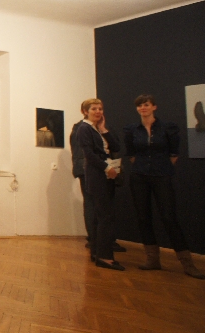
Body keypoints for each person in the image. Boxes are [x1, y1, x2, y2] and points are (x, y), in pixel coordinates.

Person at [123, 95, 204, 279]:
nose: (143, 108)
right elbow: (131, 154)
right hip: (139, 176)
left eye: (146, 104)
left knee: (169, 217)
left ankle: (187, 263)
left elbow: (174, 154)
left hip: (162, 176)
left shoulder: (167, 127)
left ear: (154, 107)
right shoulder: (132, 130)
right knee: (143, 217)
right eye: (139, 105)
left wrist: (160, 167)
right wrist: (144, 167)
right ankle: (152, 259)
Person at [70, 104, 125, 254]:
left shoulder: (102, 127)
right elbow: (84, 152)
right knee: (91, 205)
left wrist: (104, 129)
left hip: (104, 170)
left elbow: (115, 147)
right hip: (89, 170)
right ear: (85, 111)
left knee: (105, 207)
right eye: (94, 109)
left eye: (100, 109)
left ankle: (105, 241)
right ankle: (94, 241)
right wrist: (98, 167)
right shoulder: (81, 128)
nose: (98, 112)